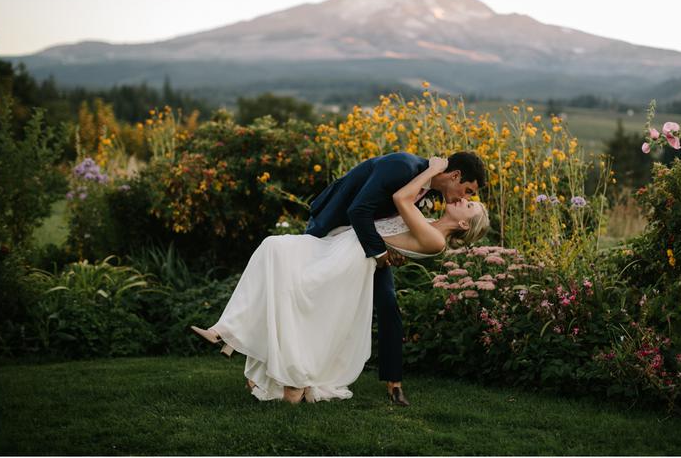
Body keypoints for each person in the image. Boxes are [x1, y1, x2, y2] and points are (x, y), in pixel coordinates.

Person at [191, 153, 489, 405]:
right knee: (282, 265)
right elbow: (369, 213)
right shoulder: (406, 169)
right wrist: (386, 250)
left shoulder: (433, 222)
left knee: (304, 294)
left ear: (463, 222)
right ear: (456, 175)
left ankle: (291, 373)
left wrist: (431, 173)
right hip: (340, 229)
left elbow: (400, 204)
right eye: (468, 192)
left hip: (355, 252)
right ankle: (233, 336)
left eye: (470, 200)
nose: (465, 197)